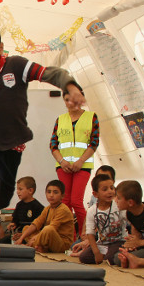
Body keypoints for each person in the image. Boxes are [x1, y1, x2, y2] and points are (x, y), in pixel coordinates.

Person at [0, 20, 85, 266]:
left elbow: (50, 73)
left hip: (13, 144)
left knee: (2, 197)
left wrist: (70, 85)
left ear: (0, 48)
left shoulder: (17, 66)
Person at [49, 89, 99, 236]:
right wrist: (62, 161)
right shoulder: (60, 119)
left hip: (82, 166)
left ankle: (84, 235)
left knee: (76, 201)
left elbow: (94, 142)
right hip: (63, 166)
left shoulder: (91, 117)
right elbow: (53, 145)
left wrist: (80, 161)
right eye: (67, 99)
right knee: (65, 202)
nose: (70, 103)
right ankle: (67, 236)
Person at [16, 180, 74, 253]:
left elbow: (52, 228)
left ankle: (30, 246)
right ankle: (40, 247)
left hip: (62, 244)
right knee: (26, 228)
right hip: (48, 240)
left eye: (55, 192)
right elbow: (36, 223)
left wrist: (34, 239)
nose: (51, 195)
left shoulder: (63, 209)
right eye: (49, 192)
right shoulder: (48, 208)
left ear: (62, 196)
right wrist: (21, 238)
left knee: (48, 229)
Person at [80, 174, 127, 265]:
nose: (110, 192)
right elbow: (90, 233)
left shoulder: (118, 206)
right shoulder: (92, 210)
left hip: (118, 241)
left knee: (110, 258)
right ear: (95, 194)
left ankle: (118, 255)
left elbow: (130, 221)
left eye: (112, 188)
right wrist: (96, 252)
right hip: (102, 243)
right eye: (105, 189)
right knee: (84, 257)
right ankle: (107, 255)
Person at [0, 176, 44, 245]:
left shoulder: (38, 207)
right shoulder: (19, 205)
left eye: (20, 189)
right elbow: (15, 221)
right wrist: (13, 224)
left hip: (29, 237)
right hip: (17, 236)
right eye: (17, 189)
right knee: (1, 243)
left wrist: (22, 234)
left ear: (30, 190)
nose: (18, 192)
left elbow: (39, 228)